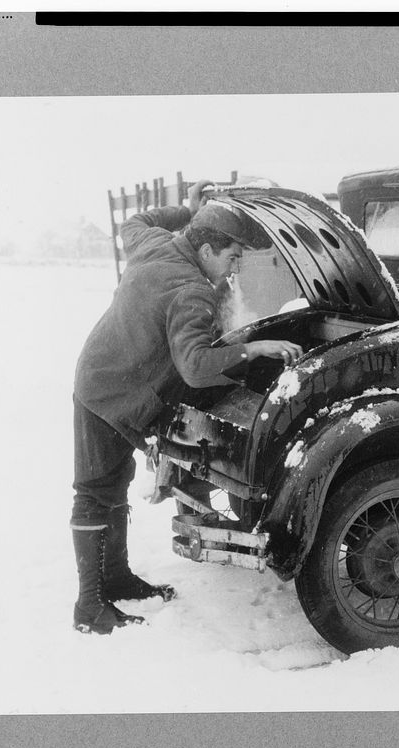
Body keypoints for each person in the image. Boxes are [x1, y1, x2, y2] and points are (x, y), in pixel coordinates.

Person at [70, 180, 303, 635]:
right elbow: (196, 367)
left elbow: (135, 223)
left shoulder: (157, 244)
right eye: (233, 256)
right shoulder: (192, 290)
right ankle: (88, 605)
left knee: (114, 483)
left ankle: (115, 577)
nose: (234, 269)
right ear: (209, 249)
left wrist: (188, 211)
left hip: (105, 377)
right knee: (94, 491)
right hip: (107, 393)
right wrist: (255, 349)